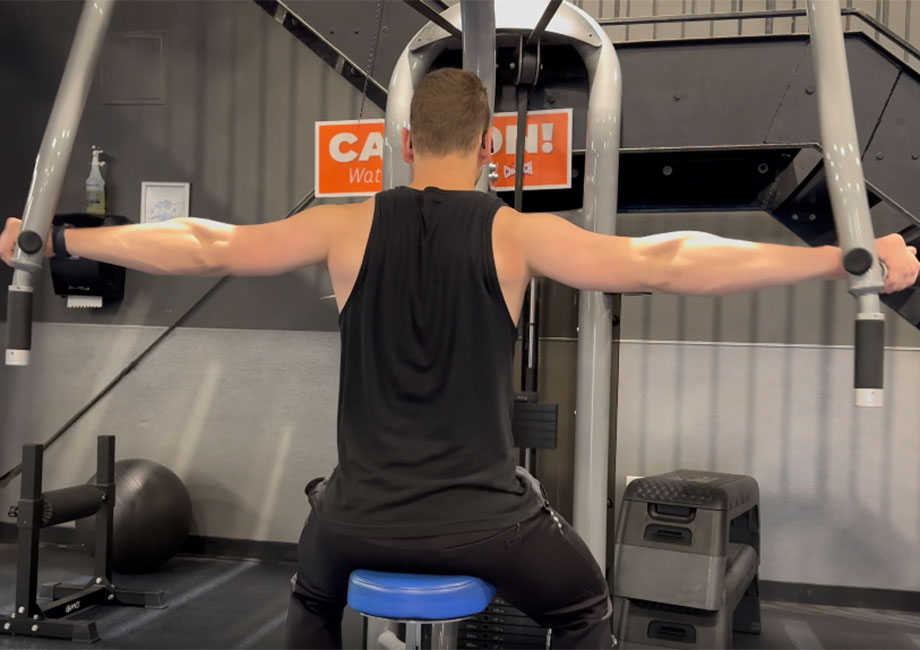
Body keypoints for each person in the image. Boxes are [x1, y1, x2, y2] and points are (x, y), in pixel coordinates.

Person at [2, 68, 919, 649]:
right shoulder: (516, 234)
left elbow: (203, 244)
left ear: (405, 146)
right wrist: (829, 259)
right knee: (586, 603)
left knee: (312, 600)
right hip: (491, 526)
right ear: (490, 150)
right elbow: (664, 262)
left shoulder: (344, 223)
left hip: (354, 520)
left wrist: (61, 239)